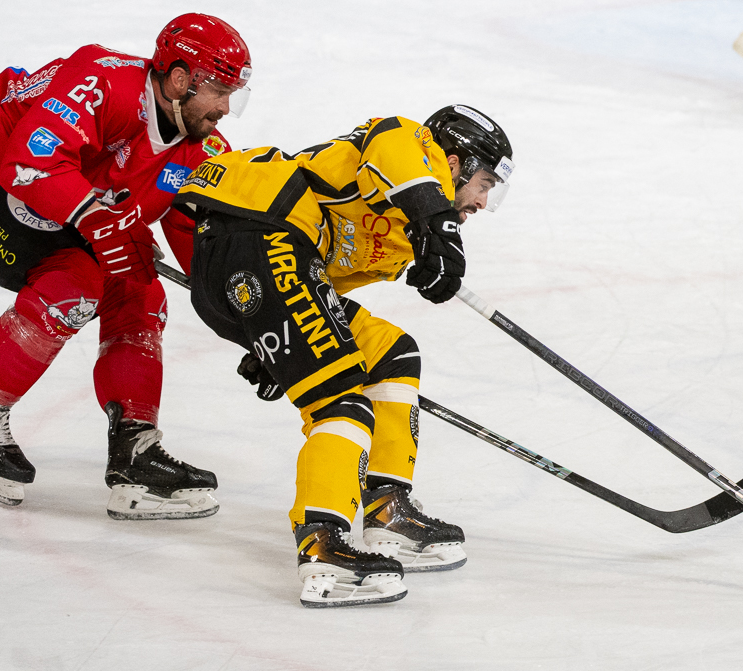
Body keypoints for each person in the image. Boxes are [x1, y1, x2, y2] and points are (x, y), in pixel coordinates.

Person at [174, 105, 514, 606]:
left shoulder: (400, 236)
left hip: (261, 265)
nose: (483, 202)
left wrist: (273, 343)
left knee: (391, 354)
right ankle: (324, 546)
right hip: (260, 234)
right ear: (454, 162)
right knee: (341, 401)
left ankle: (387, 510)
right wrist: (437, 223)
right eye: (483, 184)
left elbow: (321, 285)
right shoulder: (408, 144)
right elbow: (392, 147)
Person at [0, 14, 252, 519]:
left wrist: (252, 327)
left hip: (65, 200)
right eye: (219, 91)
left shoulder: (201, 149)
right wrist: (101, 222)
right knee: (76, 284)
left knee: (140, 288)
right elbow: (30, 164)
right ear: (179, 78)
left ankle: (135, 453)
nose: (226, 108)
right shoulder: (102, 82)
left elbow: (205, 253)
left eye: (233, 94)